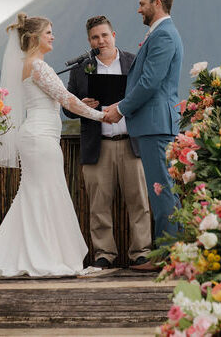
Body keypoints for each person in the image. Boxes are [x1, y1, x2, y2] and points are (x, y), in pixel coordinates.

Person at [0, 13, 107, 277]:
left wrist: (86, 107)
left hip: (40, 138)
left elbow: (61, 99)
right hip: (39, 139)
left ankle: (39, 252)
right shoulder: (37, 66)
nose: (52, 36)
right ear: (35, 37)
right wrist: (102, 115)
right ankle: (44, 255)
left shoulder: (31, 65)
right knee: (45, 194)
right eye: (48, 32)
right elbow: (66, 99)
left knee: (37, 194)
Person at [104, 0, 183, 270]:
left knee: (162, 191)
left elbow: (150, 81)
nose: (138, 9)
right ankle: (171, 254)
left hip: (155, 124)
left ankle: (168, 258)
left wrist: (121, 108)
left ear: (157, 3)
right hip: (154, 124)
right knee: (161, 189)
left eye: (142, 3)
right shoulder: (161, 33)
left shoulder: (163, 35)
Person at [63, 15, 151, 270]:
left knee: (139, 201)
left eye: (104, 35)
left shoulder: (133, 63)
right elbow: (68, 109)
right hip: (97, 145)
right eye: (94, 37)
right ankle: (104, 254)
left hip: (131, 144)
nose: (100, 40)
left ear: (114, 35)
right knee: (98, 204)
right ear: (89, 41)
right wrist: (81, 106)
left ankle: (142, 253)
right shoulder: (81, 69)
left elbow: (146, 97)